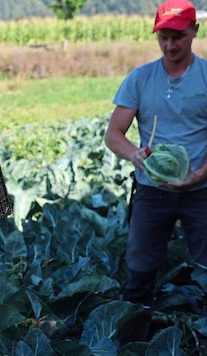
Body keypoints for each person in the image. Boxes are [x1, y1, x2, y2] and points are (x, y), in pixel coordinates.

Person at [104, 0, 207, 344]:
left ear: (195, 31)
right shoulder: (141, 78)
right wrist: (134, 154)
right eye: (163, 37)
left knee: (206, 271)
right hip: (152, 191)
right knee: (140, 274)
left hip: (200, 191)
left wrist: (200, 174)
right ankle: (134, 345)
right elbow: (113, 134)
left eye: (178, 36)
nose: (170, 45)